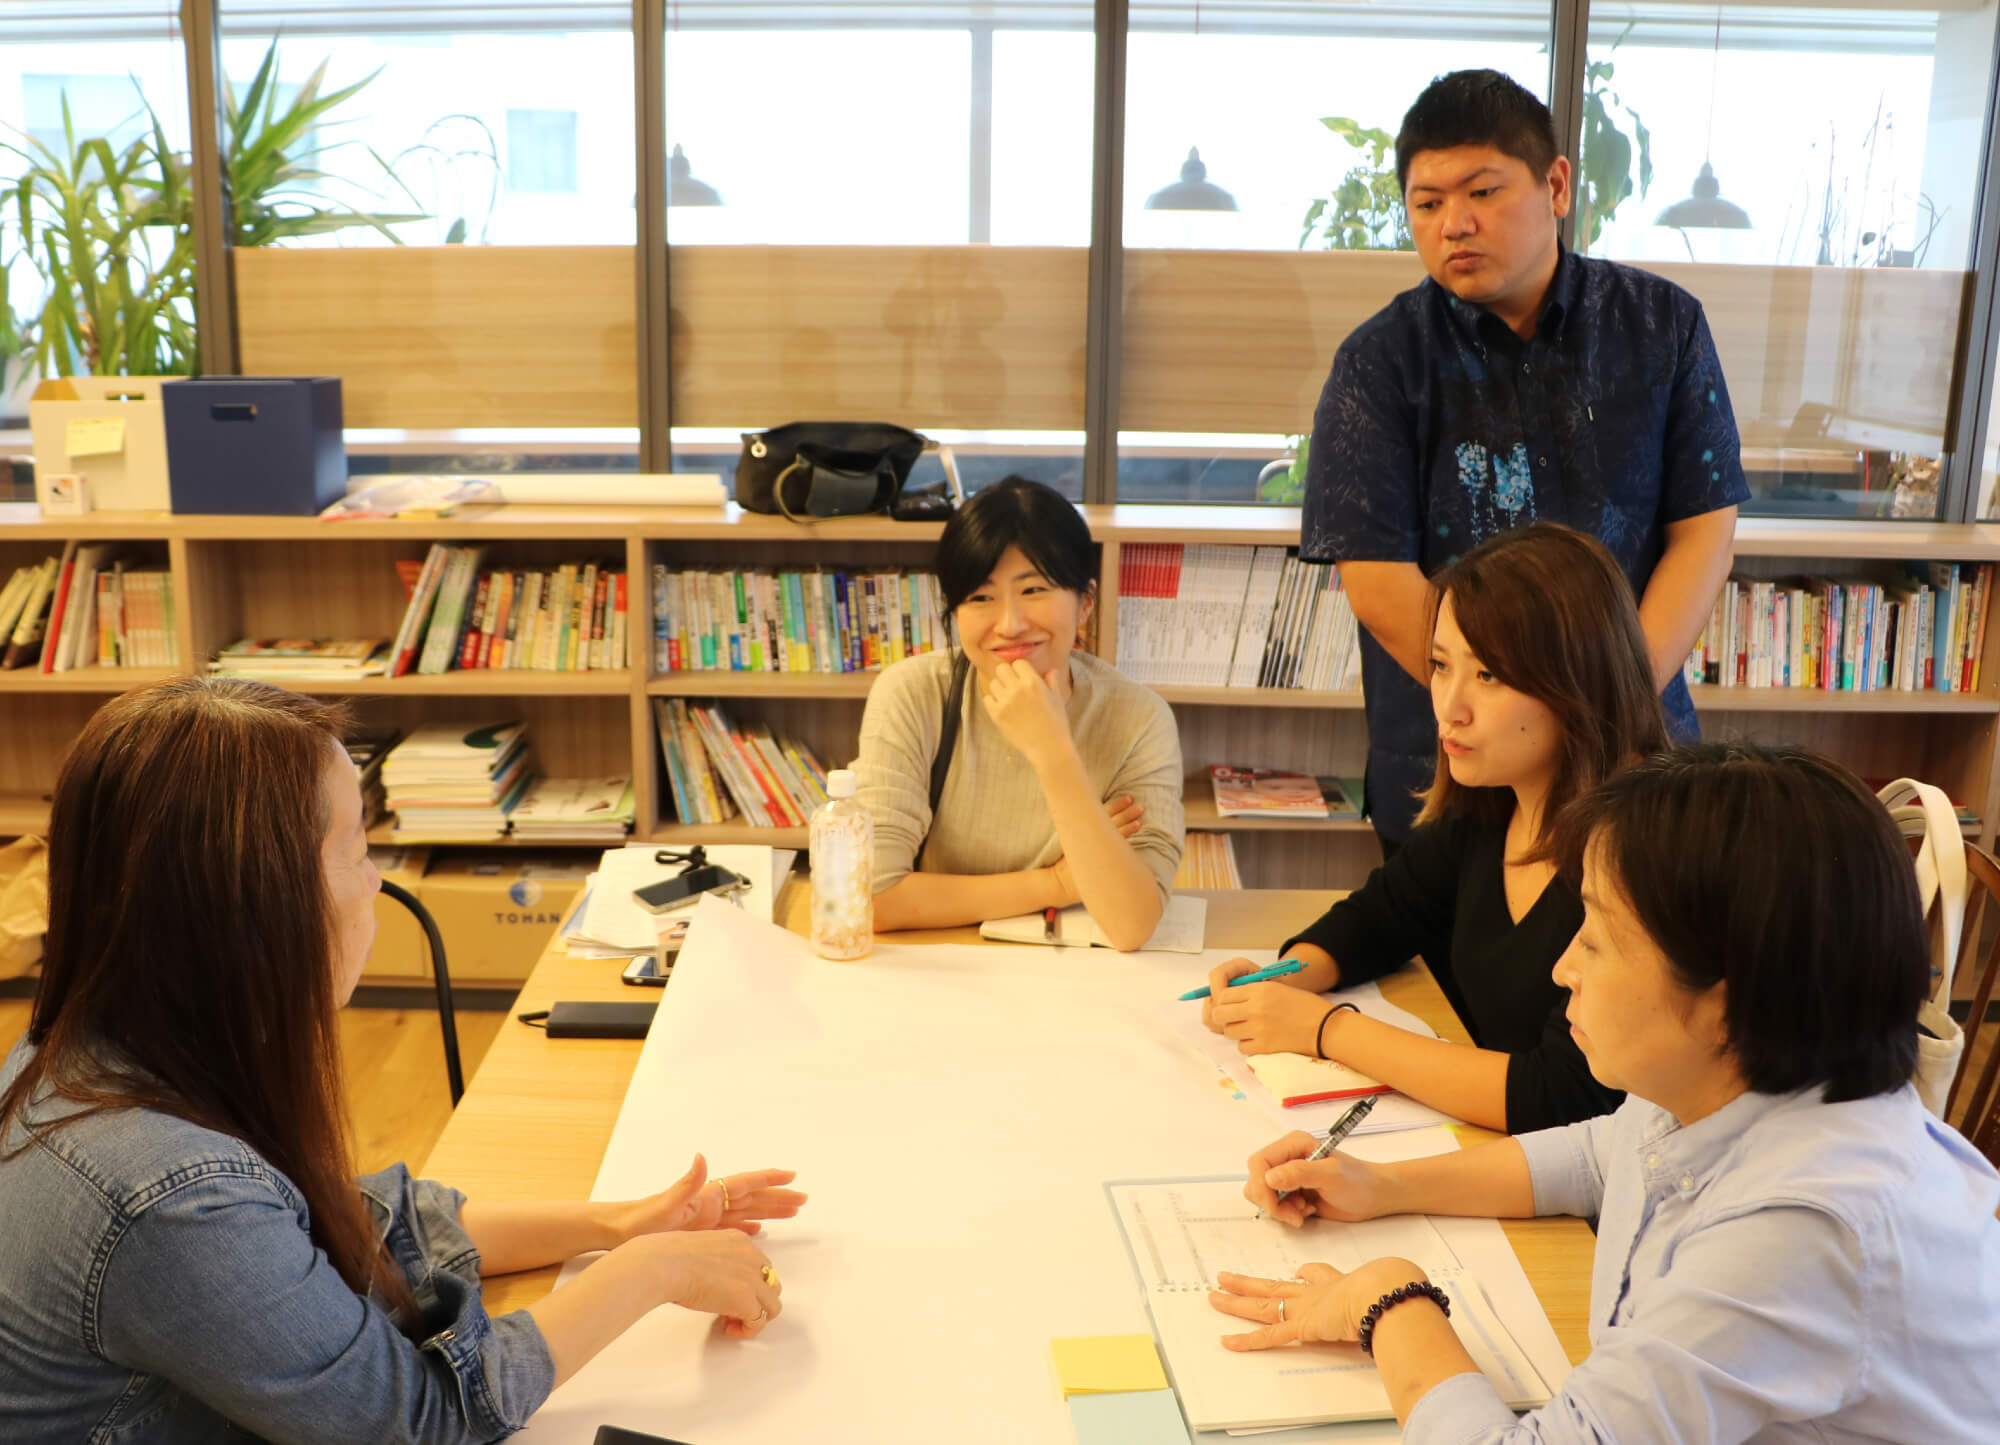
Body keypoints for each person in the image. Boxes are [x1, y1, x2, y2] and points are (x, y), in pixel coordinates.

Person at [0, 678, 806, 1443]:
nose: (377, 881)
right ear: (257, 902)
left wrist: (617, 1224)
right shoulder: (167, 1195)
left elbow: (358, 1220)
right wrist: (648, 1272)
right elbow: (411, 1421)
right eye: (356, 847)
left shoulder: (99, 1048)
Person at [1212, 742, 2000, 1443]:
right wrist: (1381, 1185)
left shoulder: (1804, 1227)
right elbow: (1599, 1152)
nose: (1563, 968)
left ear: (1723, 999)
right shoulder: (1730, 1075)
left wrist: (1390, 1300)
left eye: (1593, 935)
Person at [1304, 68, 1745, 853]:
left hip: (1631, 749)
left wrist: (1601, 710)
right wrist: (1517, 717)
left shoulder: (1663, 327)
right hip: (1454, 765)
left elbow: (1702, 533)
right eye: (1428, 204)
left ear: (1557, 185)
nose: (1454, 224)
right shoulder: (1378, 362)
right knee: (1442, 970)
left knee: (1639, 956)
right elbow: (1376, 581)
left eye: (1482, 193)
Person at [1202, 524, 1665, 1133]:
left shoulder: (1644, 854)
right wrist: (1280, 980)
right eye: (1442, 667)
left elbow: (1556, 1095)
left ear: (1577, 679)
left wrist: (1322, 1028)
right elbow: (1380, 916)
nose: (1451, 706)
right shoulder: (1494, 803)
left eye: (1489, 676)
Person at [853, 476, 1185, 950]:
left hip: (1075, 981)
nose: (1009, 624)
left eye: (1034, 590)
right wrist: (1058, 883)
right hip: (934, 969)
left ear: (1085, 602)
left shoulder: (1139, 718)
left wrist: (1052, 751)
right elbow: (870, 896)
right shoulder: (912, 694)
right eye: (981, 598)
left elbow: (1132, 924)